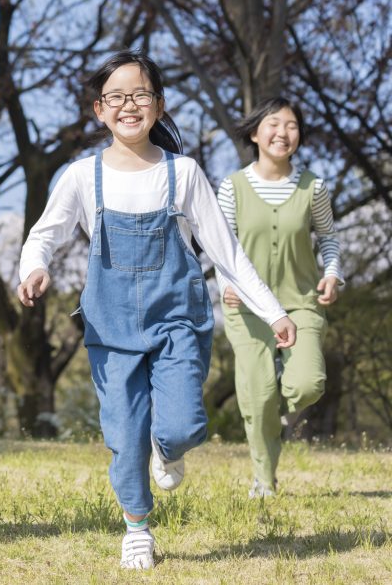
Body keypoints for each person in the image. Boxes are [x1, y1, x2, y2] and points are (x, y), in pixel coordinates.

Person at [17, 50, 296, 569]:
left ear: (159, 105)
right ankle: (137, 528)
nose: (129, 105)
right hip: (111, 327)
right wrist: (33, 268)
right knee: (124, 438)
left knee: (184, 426)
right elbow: (45, 234)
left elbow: (226, 253)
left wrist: (274, 311)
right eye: (116, 97)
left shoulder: (183, 173)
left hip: (177, 324)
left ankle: (166, 450)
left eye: (141, 94)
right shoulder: (82, 176)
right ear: (100, 110)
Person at [217, 97, 341, 499]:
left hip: (301, 302)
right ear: (255, 134)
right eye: (273, 124)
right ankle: (264, 480)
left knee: (307, 384)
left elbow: (329, 239)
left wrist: (333, 273)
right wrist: (225, 286)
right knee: (258, 391)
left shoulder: (313, 188)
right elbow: (220, 247)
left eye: (291, 126)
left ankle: (276, 417)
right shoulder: (232, 187)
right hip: (247, 308)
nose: (282, 133)